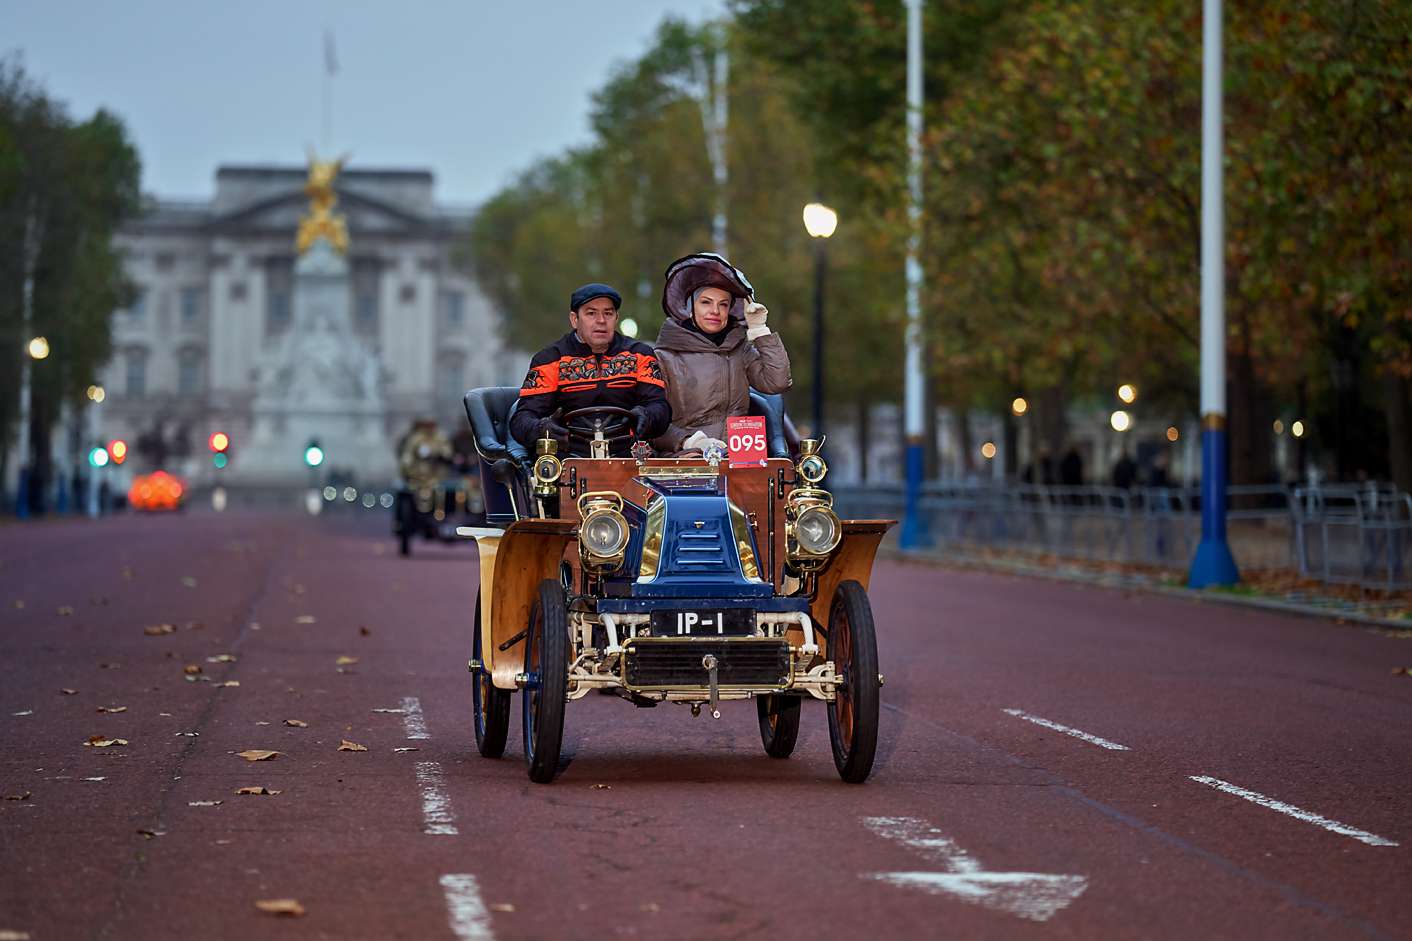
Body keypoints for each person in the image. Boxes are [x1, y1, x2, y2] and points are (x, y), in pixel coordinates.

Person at [651, 253, 791, 456]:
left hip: (741, 460)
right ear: (689, 308)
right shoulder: (663, 357)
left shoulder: (740, 350)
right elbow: (652, 423)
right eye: (706, 302)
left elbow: (777, 382)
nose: (715, 311)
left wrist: (759, 330)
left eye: (723, 304)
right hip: (689, 461)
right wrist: (690, 442)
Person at [509, 282, 672, 457]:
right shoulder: (549, 360)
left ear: (616, 318)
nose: (601, 321)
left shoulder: (640, 354)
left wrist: (647, 416)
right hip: (569, 458)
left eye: (608, 313)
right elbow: (522, 419)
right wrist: (542, 428)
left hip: (628, 457)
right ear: (574, 319)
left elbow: (660, 407)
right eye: (591, 313)